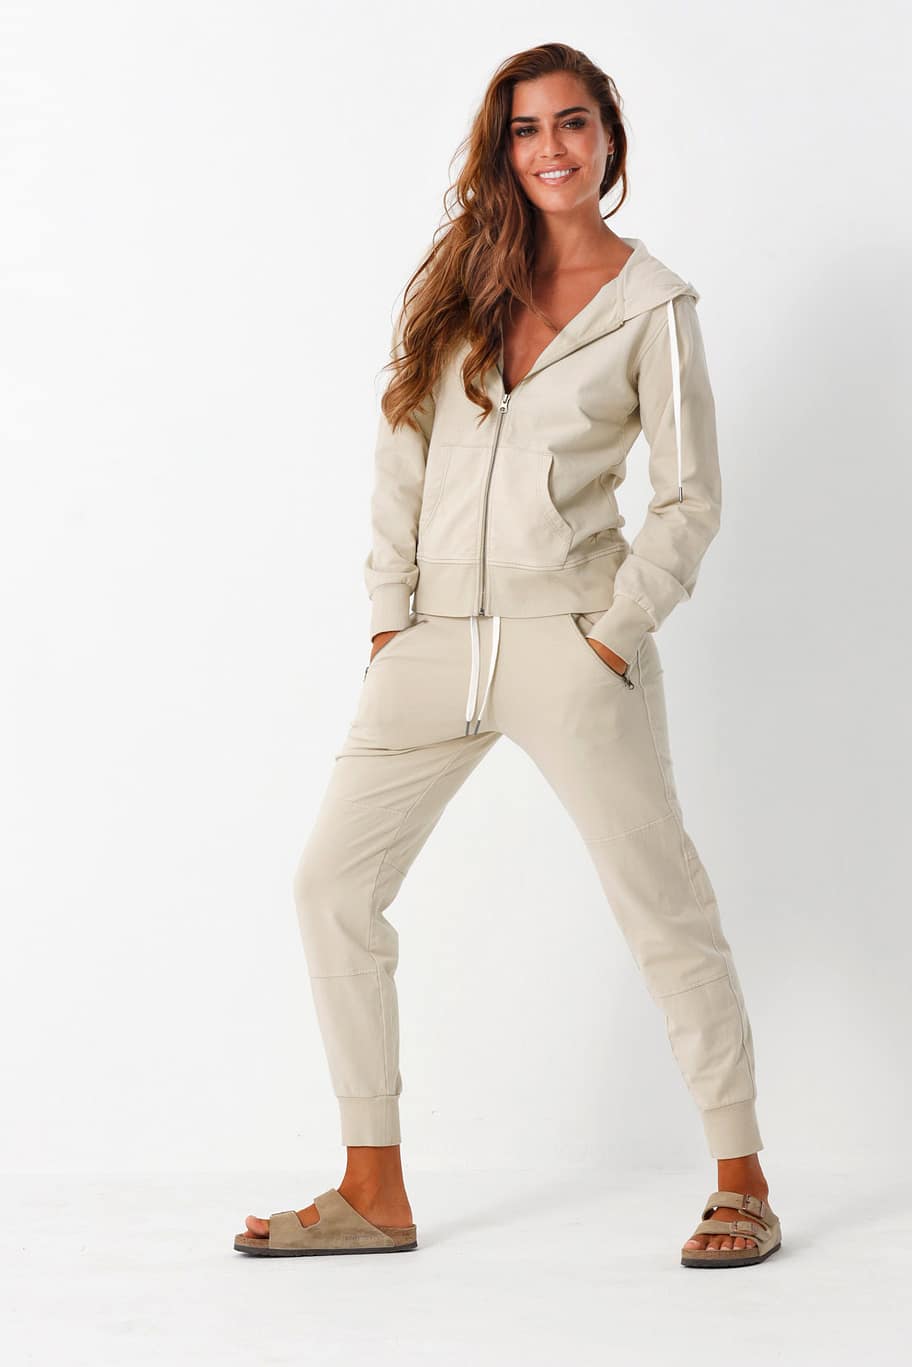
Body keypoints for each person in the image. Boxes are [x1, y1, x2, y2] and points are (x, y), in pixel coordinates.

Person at [234, 42, 780, 1267]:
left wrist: (612, 638)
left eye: (572, 123)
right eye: (527, 130)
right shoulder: (462, 279)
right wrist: (391, 618)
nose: (552, 149)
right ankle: (372, 1186)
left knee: (662, 905)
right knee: (331, 886)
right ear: (503, 148)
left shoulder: (654, 305)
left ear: (608, 137)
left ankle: (741, 1177)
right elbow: (402, 448)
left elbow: (689, 496)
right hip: (431, 644)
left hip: (570, 643)